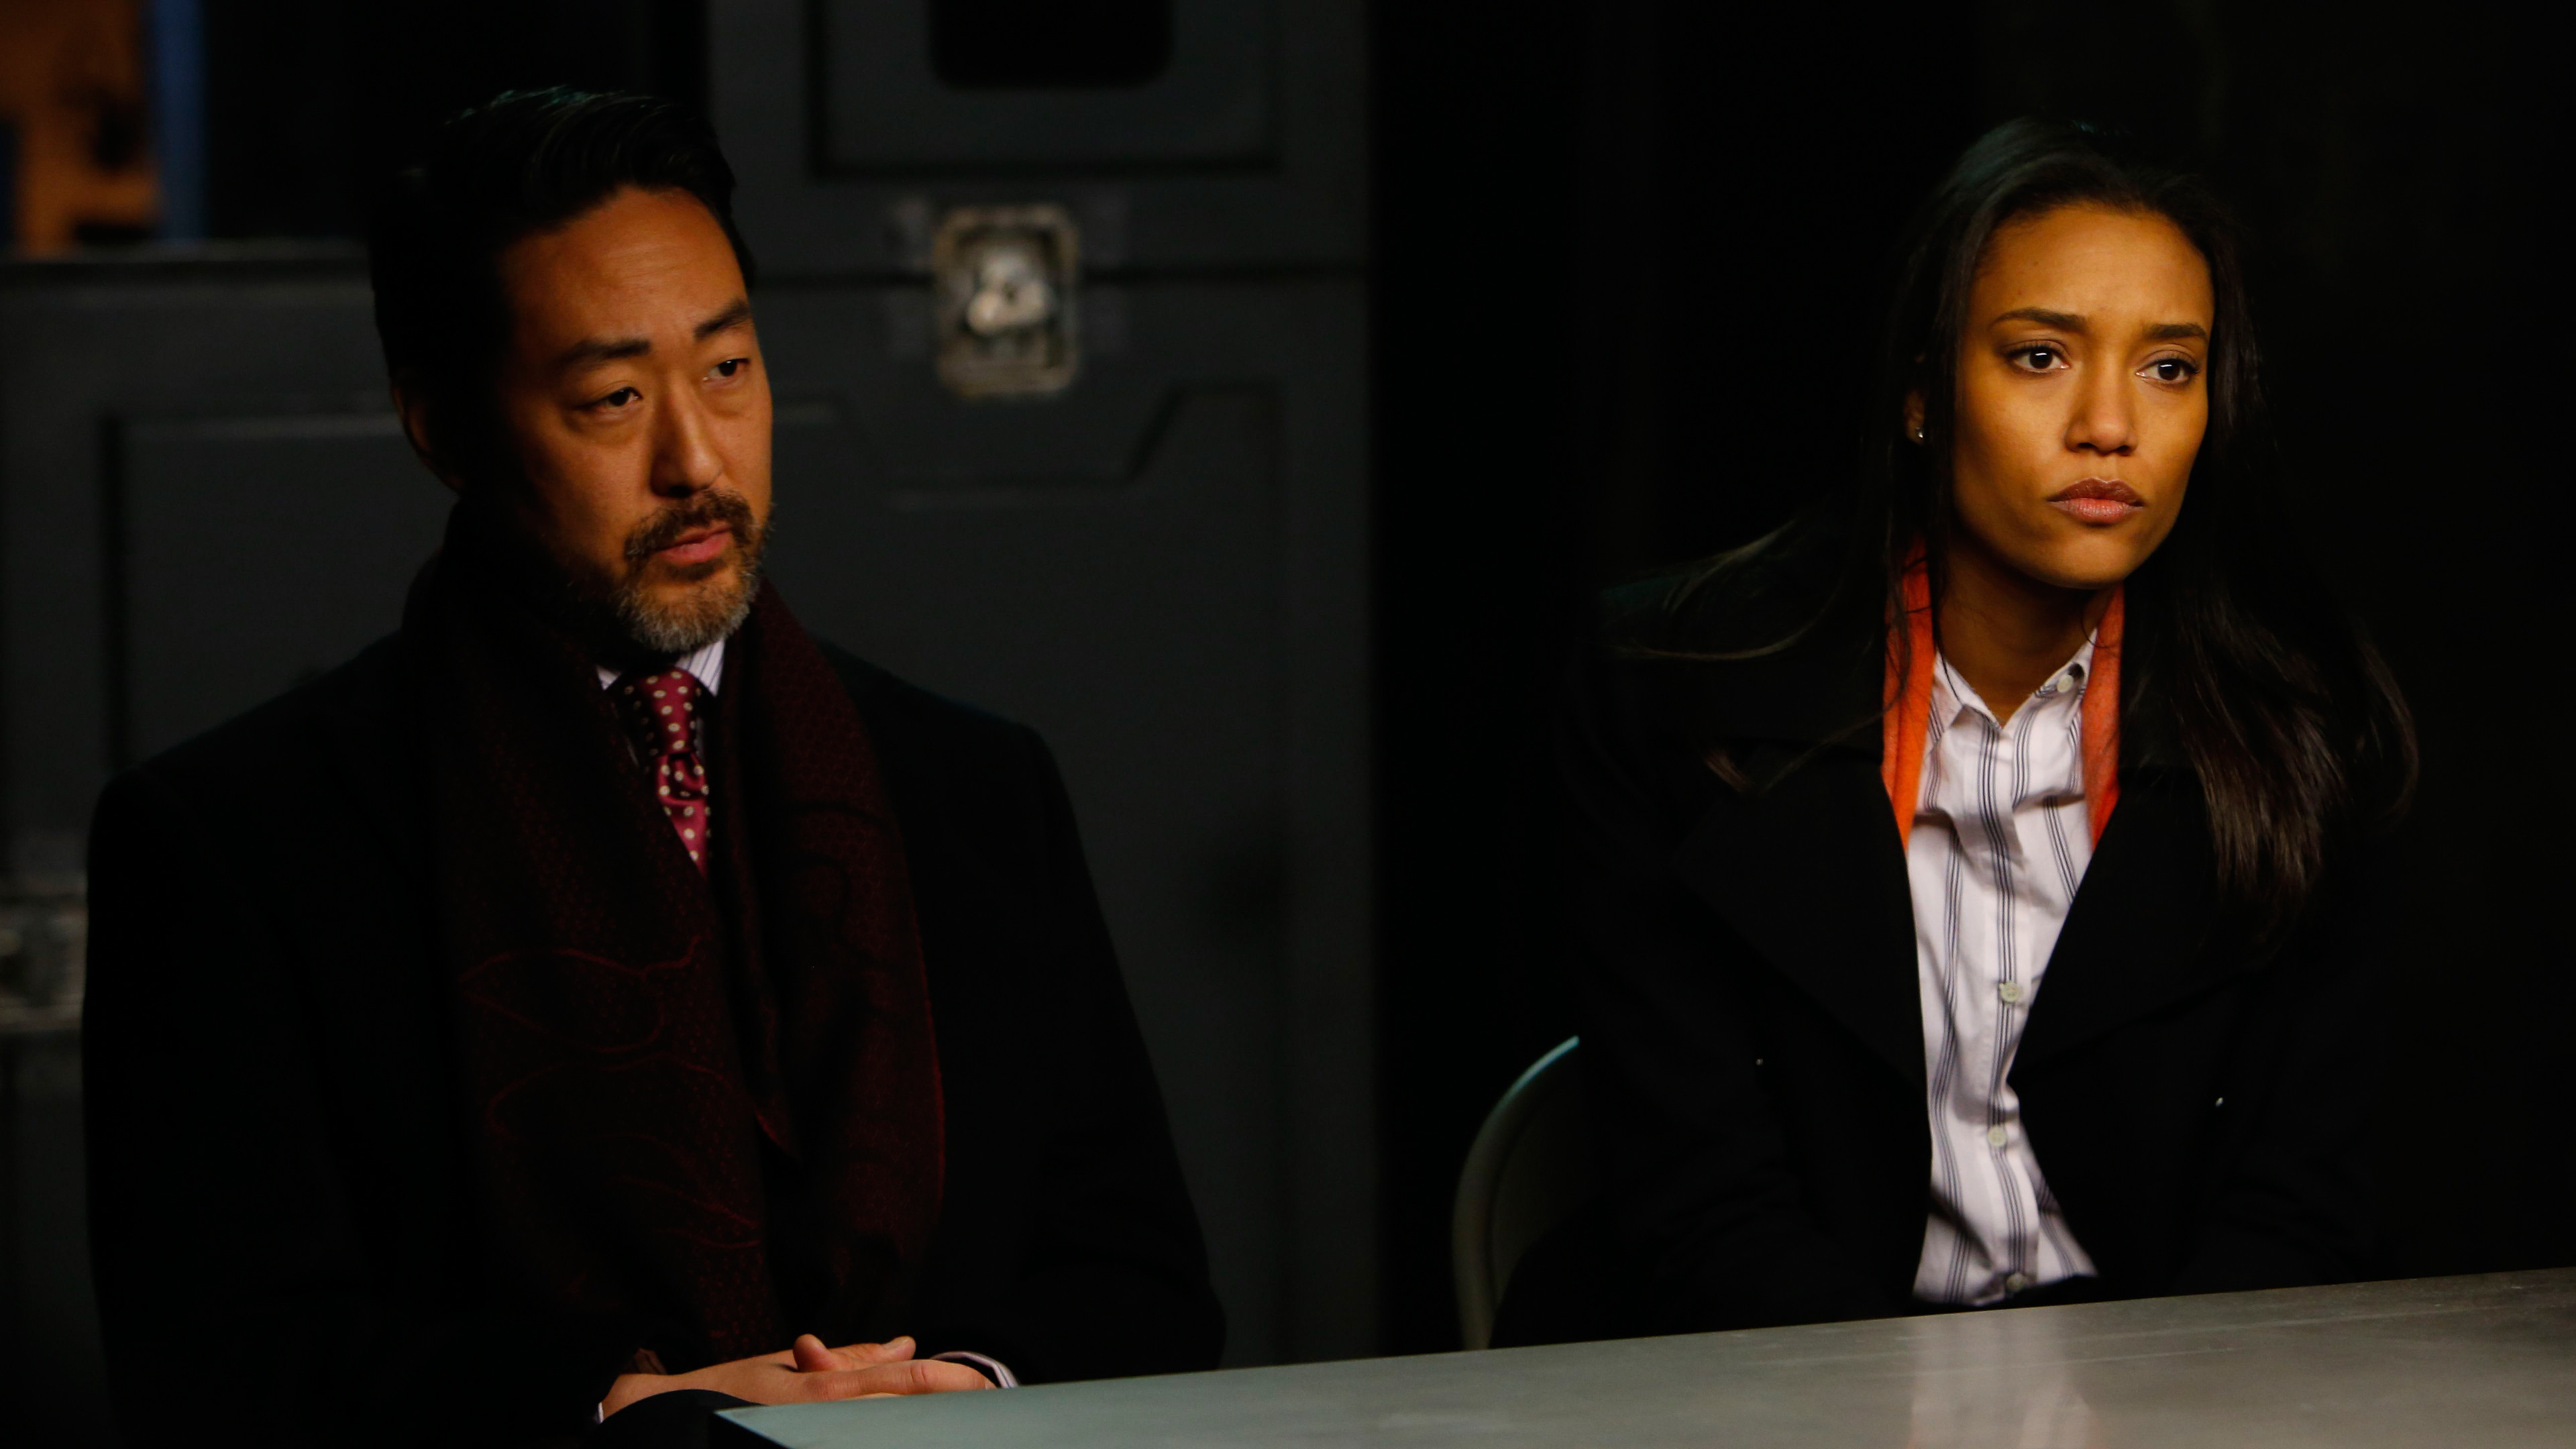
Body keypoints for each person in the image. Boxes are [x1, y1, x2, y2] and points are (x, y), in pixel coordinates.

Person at [82, 89, 1222, 1446]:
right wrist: (632, 1413)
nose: (696, 459)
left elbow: (1140, 1284)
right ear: (442, 426)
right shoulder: (234, 843)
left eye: (728, 369)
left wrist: (947, 1393)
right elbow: (215, 1368)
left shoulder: (973, 786)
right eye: (613, 399)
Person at [1504, 119, 2416, 1342]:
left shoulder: (2304, 726)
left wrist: (2154, 1412)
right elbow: (1700, 1208)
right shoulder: (1671, 690)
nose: (2111, 425)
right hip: (1778, 1382)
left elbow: (2307, 1211)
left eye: (2169, 367)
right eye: (2041, 356)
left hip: (2187, 1385)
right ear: (1925, 393)